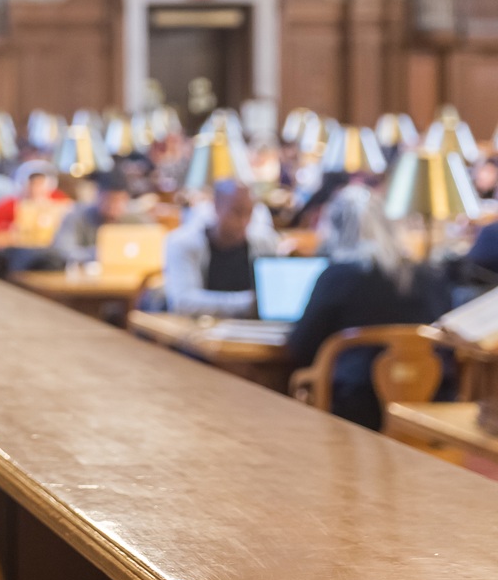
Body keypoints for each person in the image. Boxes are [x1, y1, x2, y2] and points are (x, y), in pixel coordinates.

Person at [287, 185, 452, 429]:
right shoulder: (428, 276)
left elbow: (299, 346)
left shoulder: (338, 277)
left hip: (353, 408)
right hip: (429, 405)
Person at [160, 178, 280, 317]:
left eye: (249, 212)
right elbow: (183, 303)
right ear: (216, 206)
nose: (243, 221)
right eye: (236, 212)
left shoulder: (265, 242)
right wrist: (251, 303)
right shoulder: (182, 243)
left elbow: (277, 296)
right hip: (199, 331)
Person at [41, 170, 135, 267]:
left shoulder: (135, 220)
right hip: (82, 279)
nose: (114, 206)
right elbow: (62, 251)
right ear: (97, 195)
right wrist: (100, 253)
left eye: (120, 200)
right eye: (109, 199)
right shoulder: (76, 216)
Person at [0, 161, 66, 233]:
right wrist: (8, 227)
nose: (36, 188)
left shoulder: (59, 201)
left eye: (41, 183)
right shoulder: (14, 203)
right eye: (32, 183)